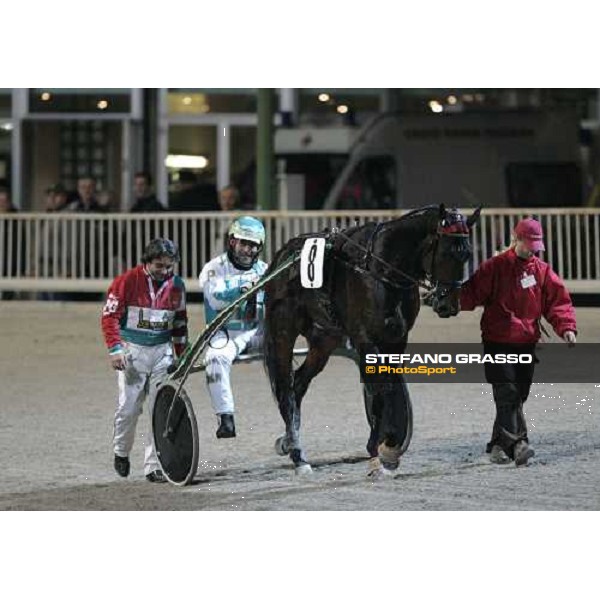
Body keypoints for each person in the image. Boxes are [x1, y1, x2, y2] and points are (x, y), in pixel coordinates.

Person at [460, 217, 577, 466]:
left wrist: (566, 327)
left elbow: (557, 302)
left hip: (526, 342)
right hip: (497, 340)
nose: (533, 249)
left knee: (517, 395)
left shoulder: (542, 271)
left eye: (536, 244)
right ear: (516, 239)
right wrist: (449, 301)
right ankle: (519, 444)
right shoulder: (494, 267)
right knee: (508, 393)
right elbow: (471, 293)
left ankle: (496, 446)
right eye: (529, 243)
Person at [101, 238, 188, 483]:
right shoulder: (127, 281)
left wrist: (181, 356)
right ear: (147, 262)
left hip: (162, 352)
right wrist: (115, 349)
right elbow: (109, 317)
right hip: (133, 352)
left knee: (159, 410)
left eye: (169, 266)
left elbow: (180, 323)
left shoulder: (177, 285)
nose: (165, 271)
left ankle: (154, 466)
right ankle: (121, 451)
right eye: (159, 266)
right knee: (129, 409)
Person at [198, 216, 268, 438]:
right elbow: (216, 298)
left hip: (256, 330)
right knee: (215, 358)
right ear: (232, 242)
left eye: (253, 245)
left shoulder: (266, 269)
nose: (248, 250)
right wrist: (243, 285)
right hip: (225, 332)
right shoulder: (213, 268)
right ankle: (225, 417)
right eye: (243, 243)